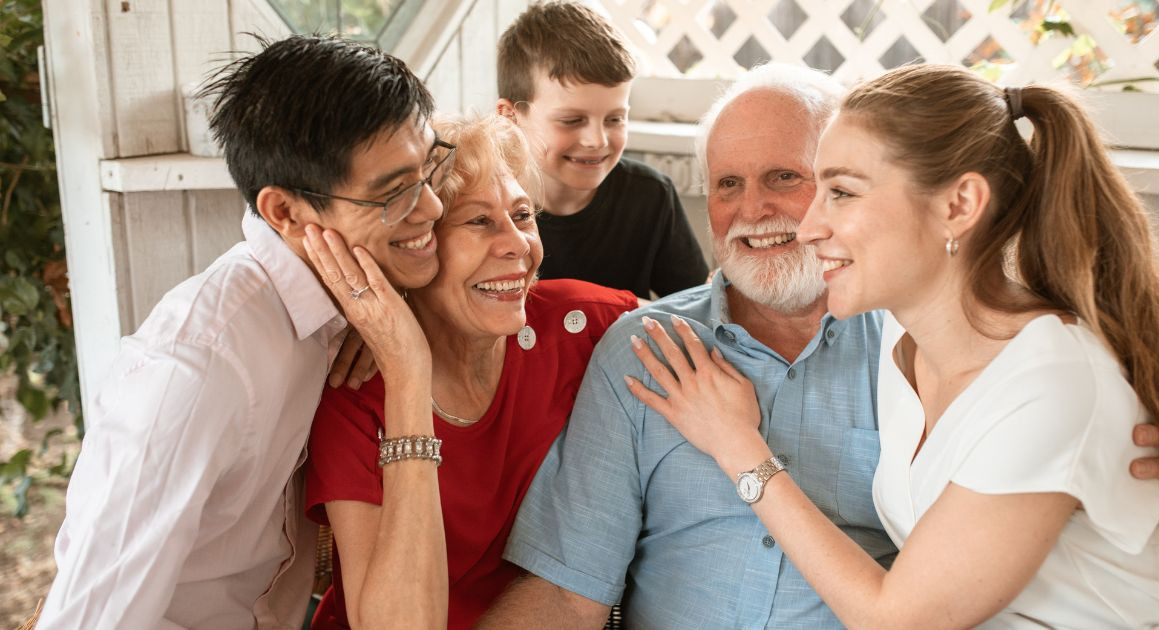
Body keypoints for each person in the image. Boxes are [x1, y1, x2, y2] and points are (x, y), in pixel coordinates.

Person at [479, 63, 1159, 629]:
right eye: (727, 184)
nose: (797, 220)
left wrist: (739, 446)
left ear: (959, 206)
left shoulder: (990, 364)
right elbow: (568, 592)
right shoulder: (912, 357)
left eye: (812, 184)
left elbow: (898, 618)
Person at [37, 35, 445, 629]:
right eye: (395, 193)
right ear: (285, 213)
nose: (432, 207)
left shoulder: (351, 301)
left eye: (429, 168)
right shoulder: (196, 367)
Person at [303, 115, 640, 630]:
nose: (518, 244)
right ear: (417, 246)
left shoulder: (579, 326)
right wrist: (408, 373)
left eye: (522, 215)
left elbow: (716, 319)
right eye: (479, 221)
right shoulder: (355, 394)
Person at [496, 1, 709, 299]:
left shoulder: (651, 196)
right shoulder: (484, 204)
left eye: (615, 119)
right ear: (510, 117)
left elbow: (694, 306)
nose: (597, 141)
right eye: (572, 120)